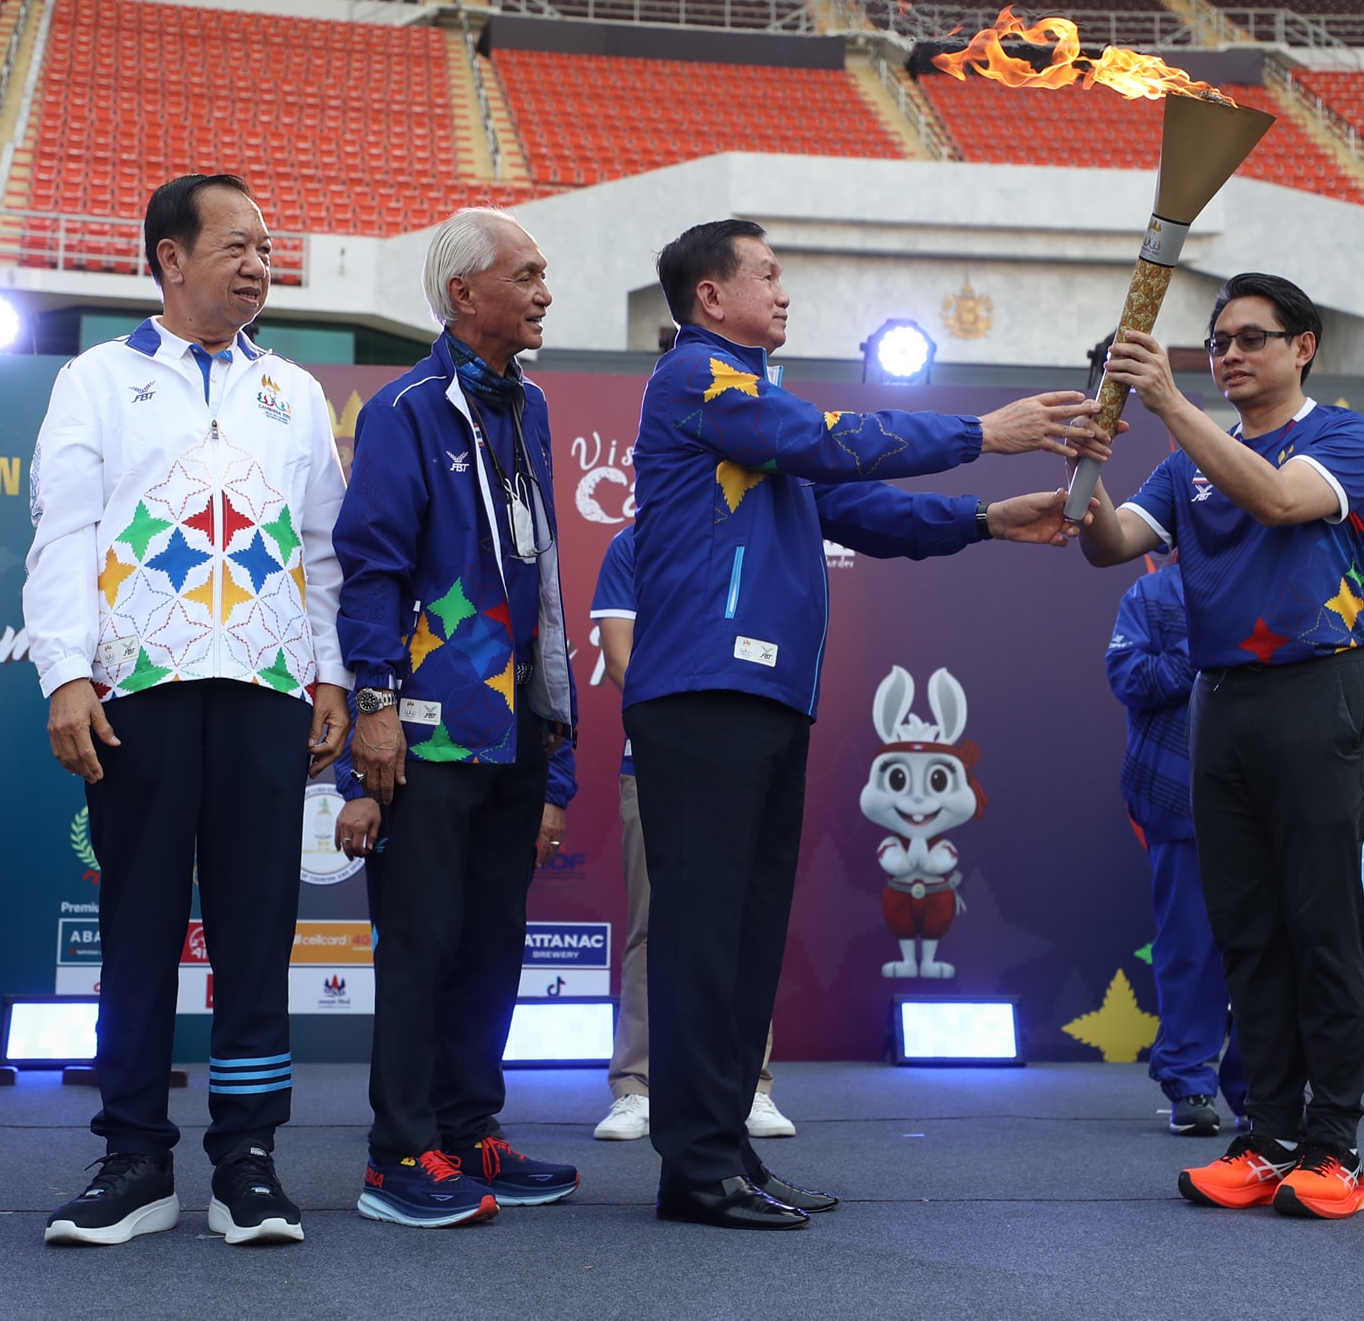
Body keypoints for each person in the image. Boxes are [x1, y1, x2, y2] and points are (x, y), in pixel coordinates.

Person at [625, 219, 1106, 1230]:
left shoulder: (755, 407)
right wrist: (983, 433)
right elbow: (828, 442)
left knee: (746, 942)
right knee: (704, 941)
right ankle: (694, 1167)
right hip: (703, 694)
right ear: (710, 297)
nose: (783, 291)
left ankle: (725, 1152)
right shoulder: (698, 380)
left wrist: (987, 518)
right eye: (767, 274)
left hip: (764, 700)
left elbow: (861, 511)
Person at [23, 174, 352, 1247]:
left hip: (266, 694)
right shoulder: (96, 380)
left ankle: (247, 1160)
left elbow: (321, 552)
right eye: (236, 246)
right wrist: (65, 674)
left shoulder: (293, 391)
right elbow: (62, 538)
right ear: (169, 258)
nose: (259, 265)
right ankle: (133, 1158)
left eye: (267, 249)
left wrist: (330, 675)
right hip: (139, 695)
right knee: (138, 931)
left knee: (258, 932)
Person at [1079, 272, 1364, 1221]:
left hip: (1319, 686)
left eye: (1252, 338)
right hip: (1219, 701)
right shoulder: (1185, 469)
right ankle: (1267, 1140)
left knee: (1318, 926)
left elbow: (1281, 502)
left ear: (1303, 347)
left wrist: (1170, 402)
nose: (1231, 355)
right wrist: (1087, 470)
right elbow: (1110, 543)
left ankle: (1334, 1149)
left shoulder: (1344, 437)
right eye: (1219, 343)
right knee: (1245, 929)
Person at [332, 207, 579, 1228]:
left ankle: (468, 1129)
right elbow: (372, 570)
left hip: (515, 726)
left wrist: (555, 748)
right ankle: (399, 1154)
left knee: (490, 942)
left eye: (543, 275)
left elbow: (544, 580)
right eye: (525, 276)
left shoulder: (531, 408)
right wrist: (374, 709)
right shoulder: (405, 409)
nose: (544, 293)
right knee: (421, 941)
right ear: (464, 294)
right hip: (427, 729)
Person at [588, 524, 793, 1144]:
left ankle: (749, 1087)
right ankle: (637, 1087)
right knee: (653, 927)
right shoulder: (634, 544)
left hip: (742, 763)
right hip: (657, 761)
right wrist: (685, 731)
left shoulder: (762, 543)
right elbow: (619, 657)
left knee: (741, 926)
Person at [1106, 559, 1247, 1136]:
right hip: (1176, 795)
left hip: (1261, 796)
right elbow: (1127, 677)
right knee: (1190, 947)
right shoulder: (1150, 594)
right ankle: (1189, 1084)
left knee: (1266, 952)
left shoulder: (1268, 583)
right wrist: (1203, 647)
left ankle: (1262, 1093)